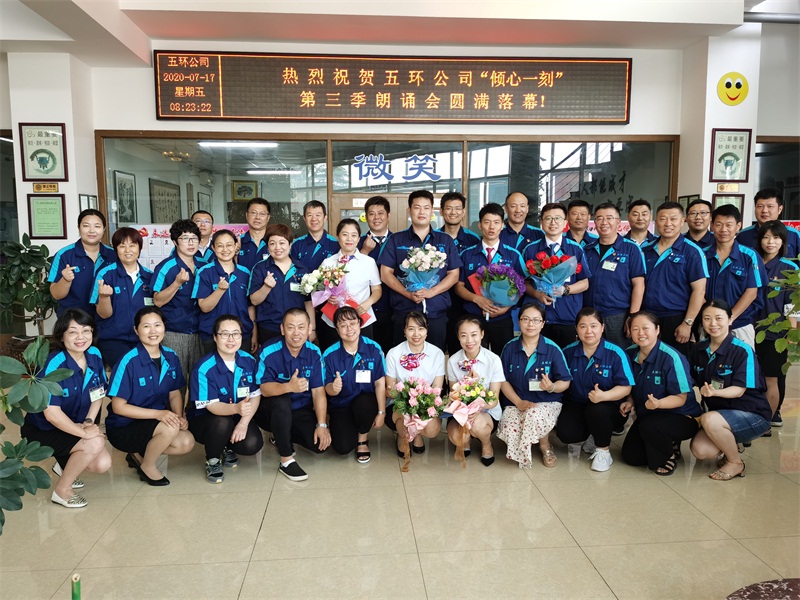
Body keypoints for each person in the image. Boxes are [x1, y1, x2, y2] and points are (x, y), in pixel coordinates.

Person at [21, 309, 111, 508]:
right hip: (45, 429)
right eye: (73, 332)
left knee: (102, 463)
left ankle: (64, 465)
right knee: (94, 443)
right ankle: (62, 491)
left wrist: (88, 422)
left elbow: (98, 393)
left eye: (86, 331)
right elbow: (52, 415)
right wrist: (84, 434)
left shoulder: (94, 354)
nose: (81, 337)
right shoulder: (54, 363)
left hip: (77, 423)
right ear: (62, 336)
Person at [106, 307, 195, 486]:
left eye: (157, 325)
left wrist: (179, 417)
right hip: (124, 426)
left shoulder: (171, 356)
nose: (153, 331)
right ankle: (147, 466)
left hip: (154, 423)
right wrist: (159, 414)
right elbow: (118, 407)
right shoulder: (128, 361)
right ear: (136, 330)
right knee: (168, 428)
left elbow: (174, 393)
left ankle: (138, 454)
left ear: (164, 327)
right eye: (146, 326)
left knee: (186, 442)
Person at [689, 300, 772, 480]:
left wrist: (714, 392)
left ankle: (735, 463)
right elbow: (690, 380)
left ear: (729, 319)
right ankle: (731, 444)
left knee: (709, 419)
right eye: (707, 318)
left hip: (752, 414)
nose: (713, 323)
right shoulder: (698, 349)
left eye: (719, 318)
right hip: (721, 415)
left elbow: (739, 390)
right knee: (700, 450)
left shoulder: (742, 350)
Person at [379, 190, 462, 351]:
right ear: (409, 210)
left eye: (426, 207)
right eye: (417, 207)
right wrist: (407, 293)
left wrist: (431, 292)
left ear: (432, 211)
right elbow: (385, 273)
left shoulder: (445, 240)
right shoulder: (396, 239)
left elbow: (454, 274)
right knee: (403, 360)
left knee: (435, 358)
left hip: (435, 313)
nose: (421, 212)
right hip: (404, 312)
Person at [620, 311, 701, 475]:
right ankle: (666, 442)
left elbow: (681, 398)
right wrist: (630, 401)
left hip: (682, 416)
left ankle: (668, 455)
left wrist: (659, 403)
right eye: (635, 329)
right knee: (631, 457)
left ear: (657, 330)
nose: (640, 333)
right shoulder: (629, 353)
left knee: (650, 427)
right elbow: (629, 384)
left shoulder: (672, 357)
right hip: (649, 415)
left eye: (645, 328)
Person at [254, 308, 330, 482]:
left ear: (309, 329)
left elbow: (318, 392)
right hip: (270, 411)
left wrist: (322, 424)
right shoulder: (269, 351)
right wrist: (288, 386)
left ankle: (281, 435)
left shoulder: (314, 352)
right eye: (290, 327)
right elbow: (264, 389)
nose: (296, 333)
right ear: (282, 329)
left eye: (301, 327)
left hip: (299, 409)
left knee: (320, 446)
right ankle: (286, 459)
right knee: (282, 400)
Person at [188, 315, 263, 483]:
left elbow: (255, 395)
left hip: (237, 416)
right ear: (215, 337)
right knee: (223, 422)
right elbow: (212, 406)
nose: (231, 339)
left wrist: (243, 423)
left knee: (252, 444)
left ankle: (225, 446)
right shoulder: (204, 367)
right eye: (224, 334)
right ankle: (213, 459)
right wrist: (236, 408)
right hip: (207, 419)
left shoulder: (249, 361)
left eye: (235, 334)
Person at [557, 308, 634, 472]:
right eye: (583, 326)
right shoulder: (567, 352)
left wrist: (604, 395)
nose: (589, 331)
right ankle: (594, 433)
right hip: (577, 403)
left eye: (593, 326)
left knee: (597, 411)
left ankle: (603, 451)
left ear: (602, 327)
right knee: (566, 434)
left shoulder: (615, 353)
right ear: (576, 329)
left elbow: (626, 386)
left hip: (609, 406)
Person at [497, 303, 572, 468]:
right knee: (510, 428)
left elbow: (565, 381)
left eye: (536, 320)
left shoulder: (553, 349)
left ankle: (545, 445)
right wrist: (518, 402)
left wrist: (552, 387)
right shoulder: (509, 348)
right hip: (516, 402)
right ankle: (527, 442)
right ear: (519, 321)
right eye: (525, 319)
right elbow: (502, 380)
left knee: (533, 415)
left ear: (543, 324)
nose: (530, 324)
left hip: (546, 402)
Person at [456, 202, 527, 352]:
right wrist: (477, 299)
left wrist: (505, 308)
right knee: (474, 360)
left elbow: (522, 287)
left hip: (502, 319)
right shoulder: (467, 254)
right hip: (473, 319)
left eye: (496, 222)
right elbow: (458, 286)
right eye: (487, 222)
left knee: (503, 359)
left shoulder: (513, 255)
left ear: (502, 226)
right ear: (480, 225)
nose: (491, 227)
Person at [641, 201, 708, 356]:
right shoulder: (645, 249)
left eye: (673, 219)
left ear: (682, 221)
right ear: (656, 221)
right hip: (647, 317)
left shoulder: (692, 252)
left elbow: (699, 291)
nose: (668, 224)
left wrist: (687, 323)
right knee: (646, 359)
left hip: (676, 319)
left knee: (675, 361)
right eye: (663, 219)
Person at [322, 306, 387, 462]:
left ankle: (362, 440)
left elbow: (380, 383)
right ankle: (344, 426)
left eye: (352, 323)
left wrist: (381, 412)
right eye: (343, 325)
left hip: (365, 403)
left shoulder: (374, 348)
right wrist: (334, 388)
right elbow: (326, 389)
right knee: (343, 447)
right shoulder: (329, 354)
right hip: (341, 405)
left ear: (360, 324)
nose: (349, 329)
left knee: (364, 403)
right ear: (337, 329)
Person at [523, 202, 592, 349]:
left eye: (558, 218)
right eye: (548, 218)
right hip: (538, 318)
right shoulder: (531, 249)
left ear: (565, 223)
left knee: (567, 356)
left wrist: (565, 290)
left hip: (567, 315)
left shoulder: (575, 249)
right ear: (542, 222)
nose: (553, 223)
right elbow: (524, 283)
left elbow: (585, 283)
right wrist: (536, 294)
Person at [583, 202, 646, 348]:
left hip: (618, 316)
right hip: (590, 315)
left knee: (619, 354)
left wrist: (633, 316)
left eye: (609, 218)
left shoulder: (631, 249)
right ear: (594, 222)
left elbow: (639, 284)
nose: (604, 222)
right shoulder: (587, 250)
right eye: (599, 218)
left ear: (618, 222)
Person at [754, 221, 797, 428]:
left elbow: (792, 307)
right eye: (766, 237)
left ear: (783, 241)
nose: (771, 242)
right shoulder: (752, 262)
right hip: (750, 329)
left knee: (772, 377)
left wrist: (792, 335)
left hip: (775, 333)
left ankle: (770, 417)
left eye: (776, 237)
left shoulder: (789, 268)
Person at [704, 204, 766, 348]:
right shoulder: (701, 254)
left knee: (742, 360)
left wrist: (729, 318)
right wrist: (710, 317)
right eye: (719, 224)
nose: (723, 230)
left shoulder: (749, 256)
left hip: (740, 324)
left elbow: (752, 292)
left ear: (738, 226)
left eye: (729, 225)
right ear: (712, 226)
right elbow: (697, 289)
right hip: (709, 324)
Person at [91, 227, 154, 369]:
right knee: (128, 370)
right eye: (122, 246)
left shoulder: (149, 276)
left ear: (139, 248)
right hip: (113, 339)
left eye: (132, 245)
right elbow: (103, 314)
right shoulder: (105, 274)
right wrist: (104, 297)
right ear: (116, 249)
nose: (127, 250)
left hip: (144, 339)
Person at [151, 219, 204, 387]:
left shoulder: (204, 265)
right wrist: (177, 283)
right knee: (176, 383)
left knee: (199, 381)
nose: (191, 243)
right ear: (175, 242)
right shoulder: (166, 267)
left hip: (201, 331)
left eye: (194, 238)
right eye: (185, 238)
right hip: (174, 332)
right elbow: (157, 301)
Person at [446, 317, 504, 466]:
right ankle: (465, 441)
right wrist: (466, 385)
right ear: (458, 337)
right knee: (457, 436)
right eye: (463, 335)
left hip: (487, 410)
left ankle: (486, 443)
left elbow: (494, 398)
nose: (469, 340)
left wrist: (478, 407)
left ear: (482, 334)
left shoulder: (493, 360)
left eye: (474, 334)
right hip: (460, 410)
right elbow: (453, 394)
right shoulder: (453, 360)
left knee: (477, 424)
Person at [385, 311, 445, 456]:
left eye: (421, 328)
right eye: (411, 329)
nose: (416, 334)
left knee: (432, 430)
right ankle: (403, 437)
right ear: (404, 331)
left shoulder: (437, 354)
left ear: (427, 330)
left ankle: (417, 434)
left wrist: (421, 402)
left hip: (426, 402)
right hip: (400, 403)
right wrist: (406, 397)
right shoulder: (394, 353)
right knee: (406, 423)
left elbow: (437, 388)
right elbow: (390, 390)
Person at [317, 218, 382, 350]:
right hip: (333, 320)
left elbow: (377, 290)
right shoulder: (328, 262)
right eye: (345, 234)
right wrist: (327, 297)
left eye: (353, 235)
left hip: (362, 319)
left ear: (358, 239)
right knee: (333, 356)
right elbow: (318, 290)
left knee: (364, 355)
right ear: (338, 237)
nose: (349, 239)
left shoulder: (368, 262)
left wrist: (367, 303)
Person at [250, 224, 317, 346]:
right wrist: (266, 287)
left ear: (290, 245)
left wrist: (312, 329)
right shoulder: (260, 268)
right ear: (267, 246)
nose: (277, 247)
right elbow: (254, 301)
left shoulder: (301, 269)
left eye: (282, 243)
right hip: (269, 328)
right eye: (272, 243)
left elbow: (308, 302)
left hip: (297, 329)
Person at [193, 229, 256, 354]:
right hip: (212, 335)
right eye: (220, 246)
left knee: (242, 365)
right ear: (213, 248)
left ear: (236, 246)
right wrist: (220, 290)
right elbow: (204, 307)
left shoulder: (245, 273)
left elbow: (250, 306)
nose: (225, 249)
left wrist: (255, 333)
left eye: (229, 245)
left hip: (242, 334)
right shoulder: (205, 272)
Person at [49, 209, 116, 317]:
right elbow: (56, 295)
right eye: (86, 226)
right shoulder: (64, 255)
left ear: (104, 229)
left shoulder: (114, 255)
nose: (92, 231)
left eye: (97, 226)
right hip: (73, 320)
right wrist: (65, 280)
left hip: (106, 320)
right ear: (79, 228)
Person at [440, 191, 481, 354]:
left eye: (457, 208)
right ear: (441, 211)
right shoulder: (433, 238)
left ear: (463, 212)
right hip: (438, 299)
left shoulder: (473, 239)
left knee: (462, 349)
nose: (453, 212)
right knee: (437, 346)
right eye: (448, 208)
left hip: (465, 303)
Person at [358, 195, 393, 354]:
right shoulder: (356, 242)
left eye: (380, 213)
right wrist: (364, 251)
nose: (376, 218)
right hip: (364, 307)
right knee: (367, 352)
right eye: (371, 214)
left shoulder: (398, 241)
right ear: (366, 217)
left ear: (388, 216)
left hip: (392, 307)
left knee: (390, 352)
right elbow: (349, 274)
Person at [737, 188, 800, 259]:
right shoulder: (743, 236)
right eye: (760, 206)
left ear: (780, 209)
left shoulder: (794, 235)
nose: (764, 210)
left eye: (770, 206)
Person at [290, 200, 340, 272]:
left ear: (325, 218)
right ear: (304, 218)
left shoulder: (335, 244)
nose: (314, 219)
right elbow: (291, 271)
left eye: (318, 215)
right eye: (309, 215)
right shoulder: (297, 244)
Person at [237, 197, 271, 272]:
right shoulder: (237, 242)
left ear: (268, 217)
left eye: (262, 214)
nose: (257, 217)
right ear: (246, 215)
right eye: (253, 213)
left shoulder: (275, 242)